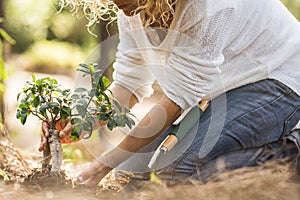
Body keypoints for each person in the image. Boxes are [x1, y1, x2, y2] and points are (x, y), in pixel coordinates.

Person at [41, 0, 300, 186]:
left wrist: (102, 164)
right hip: (224, 89)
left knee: (177, 174)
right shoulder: (131, 11)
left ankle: (289, 153)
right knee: (130, 176)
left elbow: (175, 100)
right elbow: (129, 84)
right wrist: (82, 122)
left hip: (279, 78)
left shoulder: (210, 7)